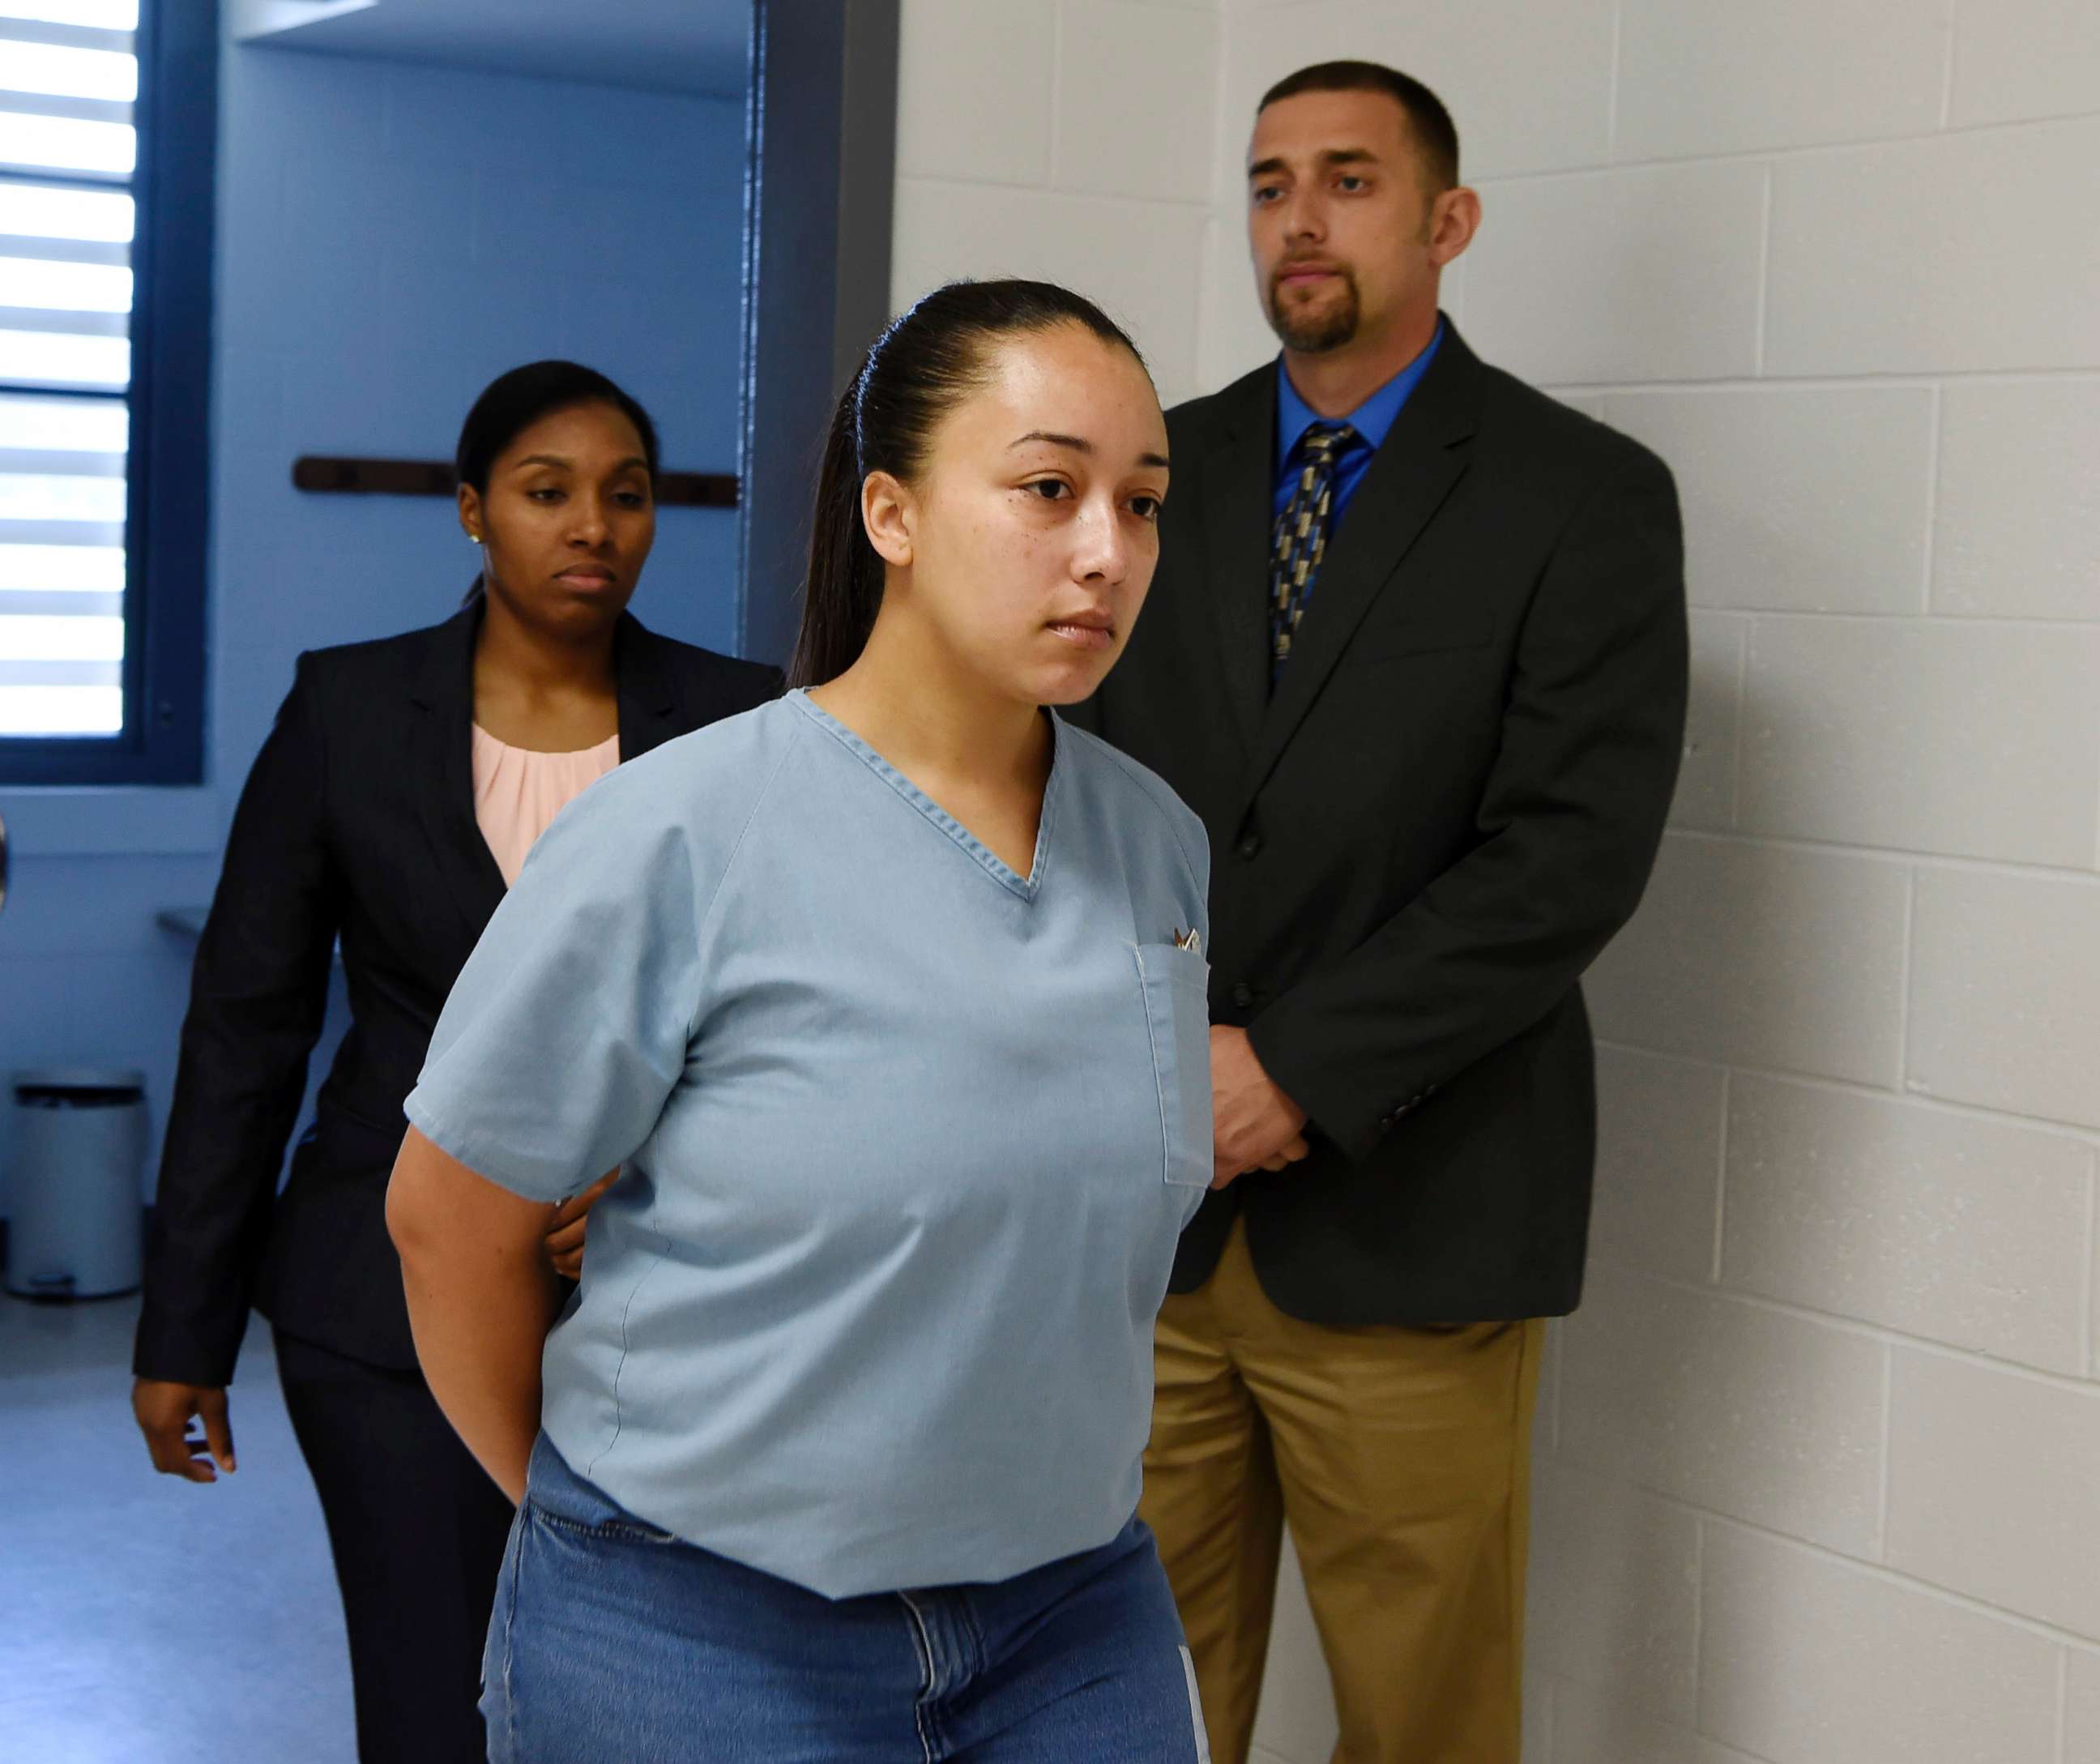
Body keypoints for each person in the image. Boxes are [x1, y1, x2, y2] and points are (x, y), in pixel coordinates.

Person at [384, 280, 1214, 1763]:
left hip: (1070, 1613)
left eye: (1140, 503)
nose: (1107, 552)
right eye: (1048, 488)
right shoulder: (681, 833)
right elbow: (450, 1221)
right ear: (890, 515)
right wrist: (595, 1531)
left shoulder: (1154, 844)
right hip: (701, 1628)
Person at [1068, 60, 1689, 1764]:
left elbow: (1567, 855)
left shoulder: (1580, 496)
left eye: (1348, 179)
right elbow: (1063, 799)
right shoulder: (1155, 478)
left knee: (1423, 1722)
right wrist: (1149, 1065)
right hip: (1149, 1218)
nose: (1300, 218)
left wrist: (1292, 1071)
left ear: (1447, 222)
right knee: (1125, 1702)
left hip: (1416, 1216)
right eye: (1271, 184)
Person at [130, 361, 780, 1764]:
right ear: (474, 510)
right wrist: (182, 1327)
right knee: (439, 1702)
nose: (592, 525)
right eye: (548, 493)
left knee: (658, 1706)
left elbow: (789, 1018)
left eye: (626, 494)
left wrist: (659, 1173)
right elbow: (247, 1025)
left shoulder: (742, 721)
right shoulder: (350, 710)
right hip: (382, 1305)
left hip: (672, 1305)